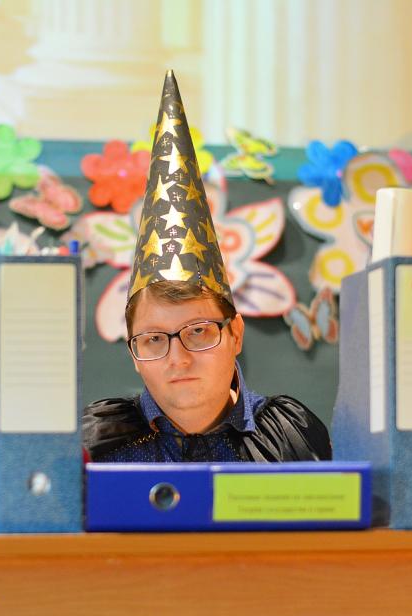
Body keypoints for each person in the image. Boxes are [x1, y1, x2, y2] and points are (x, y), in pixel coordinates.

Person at [82, 71, 331, 464]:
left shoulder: (286, 440)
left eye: (198, 331)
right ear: (133, 352)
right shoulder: (99, 447)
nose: (178, 359)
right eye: (153, 339)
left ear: (235, 334)